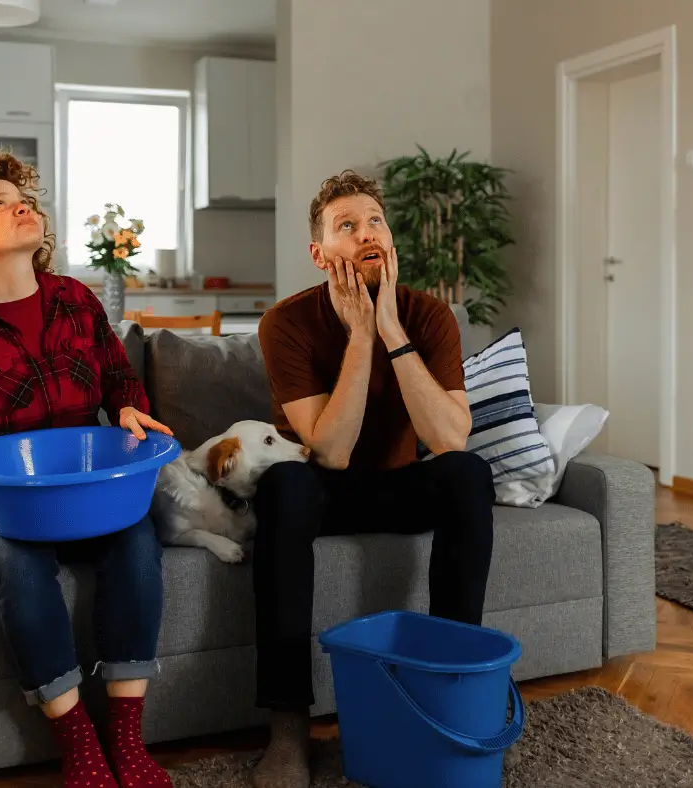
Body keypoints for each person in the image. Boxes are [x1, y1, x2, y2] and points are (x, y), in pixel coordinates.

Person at [0, 151, 174, 788]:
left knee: (139, 539)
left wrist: (130, 410)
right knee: (19, 562)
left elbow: (119, 380)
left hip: (82, 500)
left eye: (20, 197)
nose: (20, 205)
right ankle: (79, 742)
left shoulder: (77, 300)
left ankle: (127, 739)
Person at [252, 170, 496, 788]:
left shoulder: (428, 313)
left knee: (467, 474)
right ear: (319, 253)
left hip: (399, 485)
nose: (367, 234)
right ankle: (288, 728)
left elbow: (449, 438)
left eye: (376, 221)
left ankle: (451, 688)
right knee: (286, 485)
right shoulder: (285, 323)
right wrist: (359, 335)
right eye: (347, 225)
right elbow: (329, 451)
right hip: (325, 493)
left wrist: (389, 327)